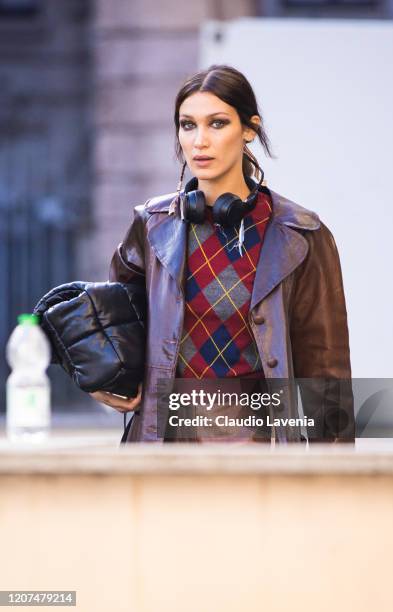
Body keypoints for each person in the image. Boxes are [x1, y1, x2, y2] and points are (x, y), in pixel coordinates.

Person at [90, 64, 355, 445]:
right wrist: (102, 378)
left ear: (249, 129)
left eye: (217, 123)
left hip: (260, 452)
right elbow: (113, 327)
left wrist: (335, 481)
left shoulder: (301, 234)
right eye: (187, 125)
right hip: (164, 449)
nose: (199, 141)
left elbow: (327, 374)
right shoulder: (151, 226)